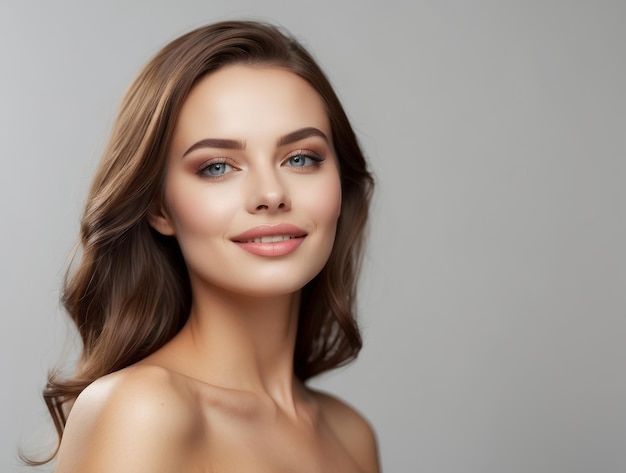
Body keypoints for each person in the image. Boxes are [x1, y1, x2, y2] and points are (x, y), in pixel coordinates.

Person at [28, 20, 378, 472]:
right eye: (217, 167)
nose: (271, 194)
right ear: (159, 207)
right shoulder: (142, 410)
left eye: (300, 158)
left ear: (341, 184)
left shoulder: (351, 436)